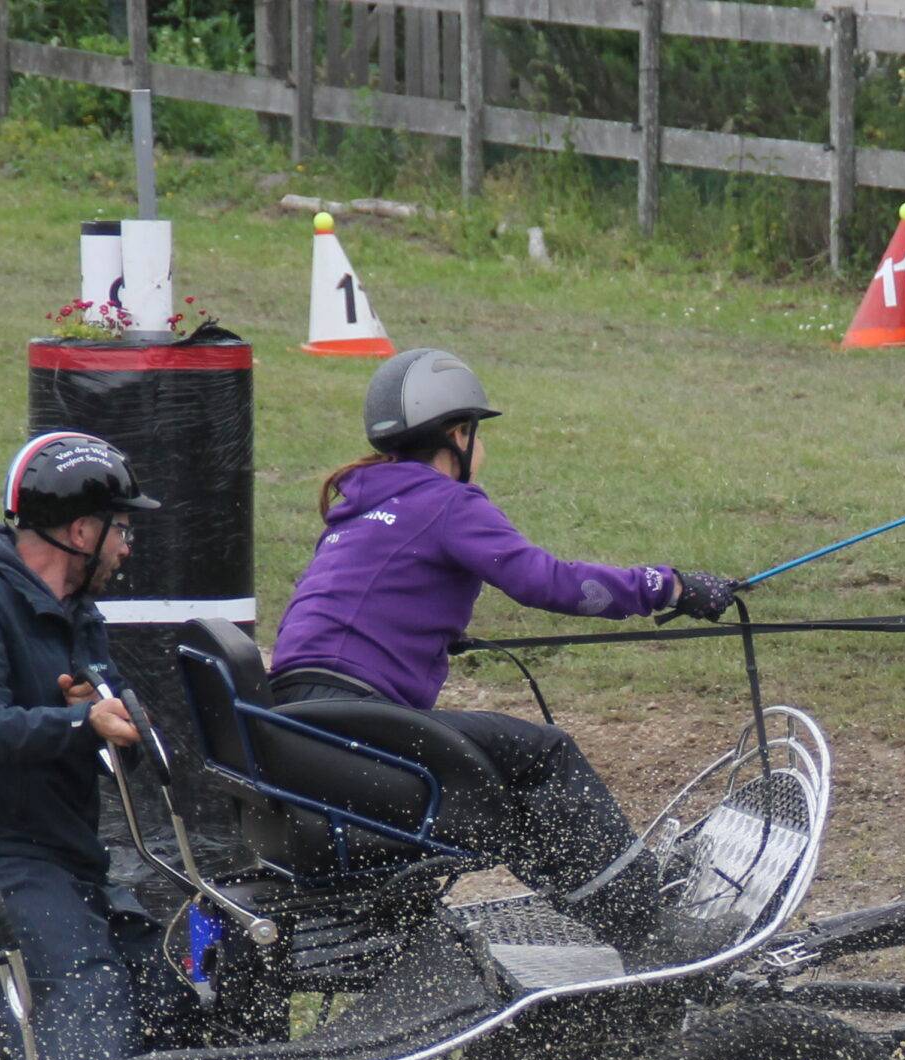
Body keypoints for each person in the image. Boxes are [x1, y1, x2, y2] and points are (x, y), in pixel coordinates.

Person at [268, 347, 737, 940]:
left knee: (498, 786)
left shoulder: (360, 504)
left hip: (297, 721)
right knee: (542, 754)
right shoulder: (446, 502)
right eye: (477, 432)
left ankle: (617, 916)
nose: (481, 449)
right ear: (457, 434)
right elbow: (552, 582)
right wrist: (666, 586)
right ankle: (650, 925)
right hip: (358, 721)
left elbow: (362, 608)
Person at [0, 431, 195, 1060]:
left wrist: (114, 725)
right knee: (85, 1002)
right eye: (121, 527)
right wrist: (77, 722)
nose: (128, 545)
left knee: (171, 987)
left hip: (67, 862)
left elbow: (112, 727)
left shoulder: (77, 618)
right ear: (79, 529)